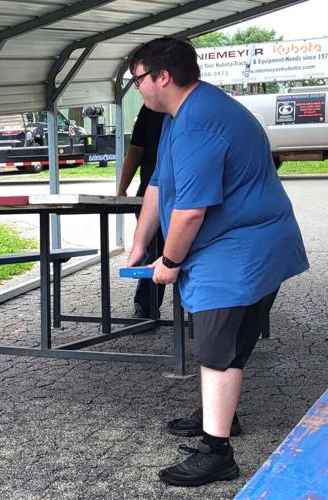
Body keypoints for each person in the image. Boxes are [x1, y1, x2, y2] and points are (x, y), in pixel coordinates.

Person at [125, 37, 308, 487]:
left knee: (217, 353)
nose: (138, 89)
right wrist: (137, 247)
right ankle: (219, 415)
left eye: (138, 80)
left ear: (161, 77)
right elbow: (157, 187)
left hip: (237, 253)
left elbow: (189, 211)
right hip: (254, 247)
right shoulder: (181, 114)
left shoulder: (198, 122)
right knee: (229, 343)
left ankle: (217, 451)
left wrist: (167, 260)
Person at [117, 105, 166, 318]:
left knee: (159, 252)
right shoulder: (150, 108)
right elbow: (136, 149)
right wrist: (121, 189)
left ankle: (197, 313)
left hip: (177, 195)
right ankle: (146, 309)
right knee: (152, 251)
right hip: (150, 196)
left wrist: (122, 188)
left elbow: (136, 150)